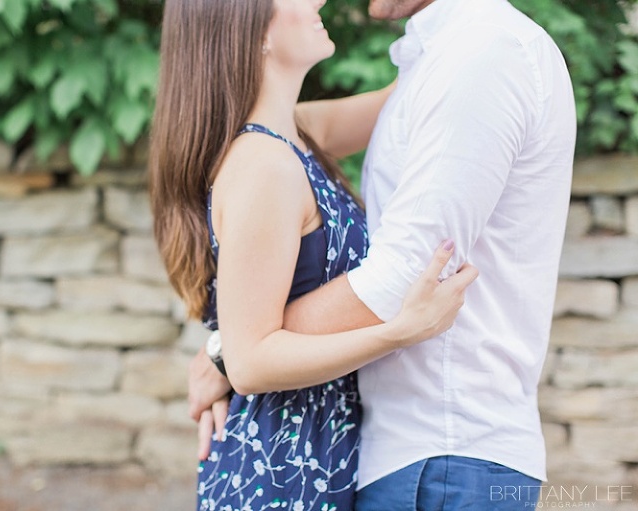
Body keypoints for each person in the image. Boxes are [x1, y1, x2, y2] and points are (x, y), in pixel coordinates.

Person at [189, 0, 577, 509]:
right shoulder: (437, 59)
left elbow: (407, 274)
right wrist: (240, 345)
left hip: (443, 452)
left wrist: (233, 348)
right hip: (398, 453)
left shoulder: (483, 52)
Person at [149, 0, 478, 509]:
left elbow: (418, 89)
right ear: (251, 27)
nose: (319, 0)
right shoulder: (263, 165)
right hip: (283, 469)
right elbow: (252, 361)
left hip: (315, 450)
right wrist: (397, 332)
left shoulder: (296, 135)